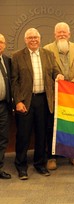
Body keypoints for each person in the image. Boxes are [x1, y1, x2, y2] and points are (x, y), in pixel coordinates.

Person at [11, 28, 64, 180]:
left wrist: (59, 75)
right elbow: (14, 82)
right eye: (30, 37)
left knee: (42, 134)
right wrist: (18, 101)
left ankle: (40, 164)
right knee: (23, 135)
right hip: (26, 101)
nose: (33, 40)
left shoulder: (48, 54)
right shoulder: (17, 56)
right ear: (25, 40)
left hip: (44, 100)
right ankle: (21, 166)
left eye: (36, 37)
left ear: (40, 39)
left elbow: (55, 71)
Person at [44, 22, 74, 169]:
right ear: (55, 35)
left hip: (72, 95)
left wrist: (72, 83)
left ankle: (73, 155)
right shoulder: (47, 49)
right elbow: (46, 73)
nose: (61, 34)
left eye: (64, 32)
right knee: (52, 126)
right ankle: (51, 157)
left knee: (72, 126)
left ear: (69, 34)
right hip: (54, 96)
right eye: (59, 32)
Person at [0, 34, 12, 179]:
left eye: (1, 42)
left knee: (2, 138)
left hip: (3, 106)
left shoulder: (7, 60)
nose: (0, 44)